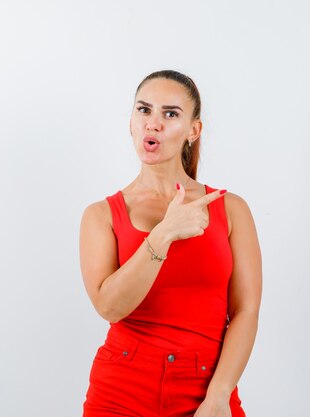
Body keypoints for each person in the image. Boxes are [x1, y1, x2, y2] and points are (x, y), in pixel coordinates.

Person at [79, 69, 262, 417]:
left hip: (208, 388)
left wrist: (219, 395)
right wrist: (163, 234)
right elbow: (110, 307)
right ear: (131, 122)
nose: (153, 123)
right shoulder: (101, 215)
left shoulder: (231, 209)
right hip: (121, 390)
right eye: (144, 110)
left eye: (170, 113)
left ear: (193, 130)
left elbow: (245, 311)